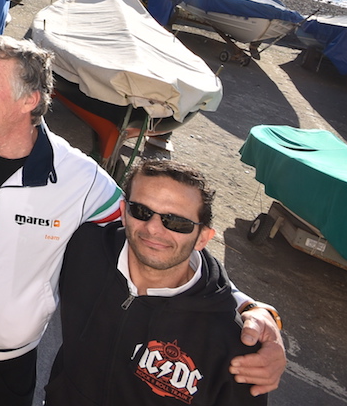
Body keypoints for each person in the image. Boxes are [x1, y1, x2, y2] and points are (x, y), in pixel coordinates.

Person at [0, 35, 287, 405]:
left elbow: (159, 234)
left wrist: (251, 306)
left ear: (30, 99)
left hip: (6, 361)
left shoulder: (81, 180)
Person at [45, 158, 270, 405]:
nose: (153, 228)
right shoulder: (83, 249)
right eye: (141, 211)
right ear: (123, 212)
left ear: (202, 239)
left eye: (176, 222)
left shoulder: (232, 341)